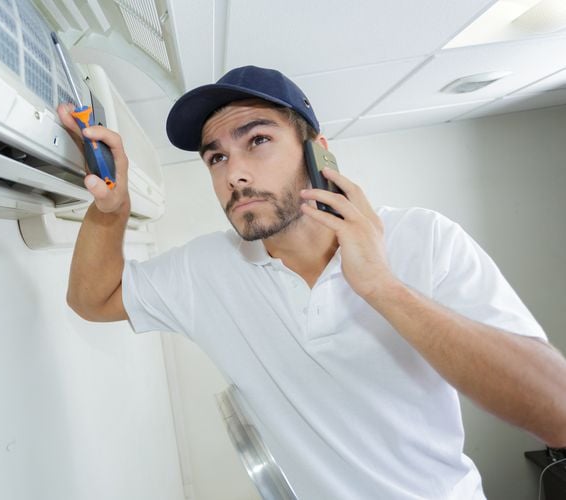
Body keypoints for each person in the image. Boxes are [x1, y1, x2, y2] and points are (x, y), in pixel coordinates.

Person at [58, 65, 566, 499]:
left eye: (257, 140)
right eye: (216, 157)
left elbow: (557, 412)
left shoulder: (424, 239)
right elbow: (91, 299)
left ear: (319, 154)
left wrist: (383, 288)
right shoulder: (206, 269)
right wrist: (113, 209)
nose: (234, 173)